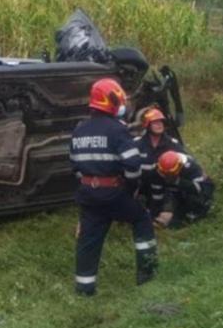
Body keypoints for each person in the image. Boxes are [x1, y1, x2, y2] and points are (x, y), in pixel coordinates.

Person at [69, 78, 156, 296]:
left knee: (89, 240)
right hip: (115, 193)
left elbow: (74, 166)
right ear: (112, 101)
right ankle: (147, 274)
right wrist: (130, 188)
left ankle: (84, 288)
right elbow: (133, 166)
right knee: (141, 219)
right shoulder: (118, 130)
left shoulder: (79, 130)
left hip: (88, 194)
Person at [134, 108, 185, 209]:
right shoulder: (137, 144)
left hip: (166, 187)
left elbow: (185, 164)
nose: (159, 125)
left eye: (161, 122)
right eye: (155, 123)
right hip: (143, 187)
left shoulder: (172, 144)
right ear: (147, 125)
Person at [149, 150, 215, 228]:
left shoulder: (191, 167)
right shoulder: (157, 170)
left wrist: (177, 181)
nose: (167, 175)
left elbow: (198, 189)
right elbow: (157, 193)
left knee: (195, 199)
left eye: (170, 173)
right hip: (175, 191)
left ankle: (193, 213)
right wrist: (156, 211)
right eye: (164, 173)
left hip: (197, 188)